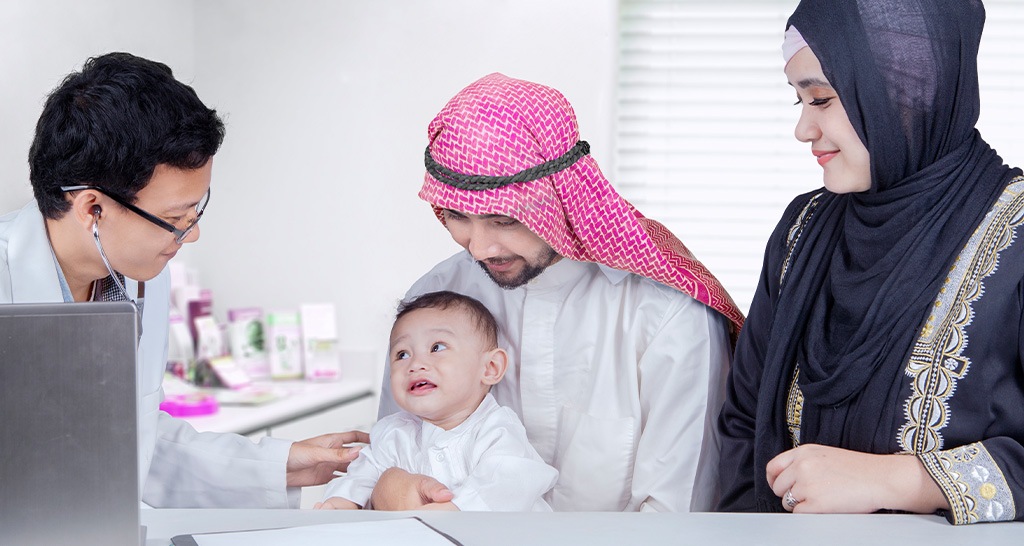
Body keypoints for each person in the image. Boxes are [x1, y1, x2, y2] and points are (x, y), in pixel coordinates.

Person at [0, 52, 367, 508]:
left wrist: (280, 464)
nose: (191, 234)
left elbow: (128, 443)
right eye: (174, 218)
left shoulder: (139, 280)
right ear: (92, 207)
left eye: (196, 210)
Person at [373, 73, 745, 512]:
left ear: (559, 196)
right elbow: (390, 458)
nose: (479, 248)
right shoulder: (436, 295)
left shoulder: (667, 313)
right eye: (457, 217)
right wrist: (386, 492)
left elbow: (676, 515)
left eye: (503, 220)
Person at [716, 0, 1024, 525]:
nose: (804, 131)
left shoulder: (1016, 237)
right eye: (799, 102)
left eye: (822, 99)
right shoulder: (803, 229)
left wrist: (902, 480)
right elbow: (744, 427)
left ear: (906, 92)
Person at [317, 291, 557, 511]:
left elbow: (508, 483)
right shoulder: (393, 433)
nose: (415, 364)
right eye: (402, 354)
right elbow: (361, 478)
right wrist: (340, 504)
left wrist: (456, 510)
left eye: (437, 347)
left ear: (490, 367)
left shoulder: (498, 429)